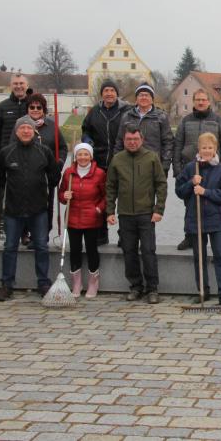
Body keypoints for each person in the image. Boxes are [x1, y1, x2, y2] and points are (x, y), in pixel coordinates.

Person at [0, 115, 61, 301]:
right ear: (16, 131)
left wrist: (58, 167)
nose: (25, 131)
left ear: (34, 131)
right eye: (22, 128)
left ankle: (43, 283)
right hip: (13, 210)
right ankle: (7, 284)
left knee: (41, 246)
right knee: (10, 248)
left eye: (29, 128)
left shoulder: (44, 152)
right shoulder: (5, 153)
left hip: (38, 209)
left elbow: (54, 177)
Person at [106, 125, 168, 303]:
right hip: (125, 214)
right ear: (124, 141)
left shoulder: (152, 158)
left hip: (147, 214)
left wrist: (159, 209)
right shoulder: (117, 159)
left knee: (148, 251)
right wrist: (110, 211)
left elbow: (161, 185)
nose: (132, 142)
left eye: (135, 139)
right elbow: (110, 187)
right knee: (129, 252)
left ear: (142, 140)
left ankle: (152, 289)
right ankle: (135, 286)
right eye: (128, 140)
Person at [176, 132, 221, 309]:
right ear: (199, 149)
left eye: (210, 148)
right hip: (196, 220)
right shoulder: (190, 168)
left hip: (217, 221)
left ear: (215, 149)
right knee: (199, 258)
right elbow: (179, 191)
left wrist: (206, 192)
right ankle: (203, 290)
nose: (207, 151)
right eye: (204, 148)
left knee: (220, 256)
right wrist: (191, 183)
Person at [174, 88, 221, 251]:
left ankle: (219, 241)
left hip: (215, 172)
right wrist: (178, 171)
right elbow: (178, 145)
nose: (200, 102)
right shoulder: (185, 121)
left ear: (209, 102)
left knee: (216, 206)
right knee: (190, 207)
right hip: (191, 172)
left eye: (203, 99)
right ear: (193, 102)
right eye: (197, 99)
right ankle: (190, 237)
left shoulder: (219, 121)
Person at [10, 93, 68, 236]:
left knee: (47, 204)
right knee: (24, 202)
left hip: (47, 174)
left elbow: (62, 147)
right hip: (25, 174)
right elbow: (11, 147)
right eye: (32, 107)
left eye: (39, 107)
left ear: (43, 109)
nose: (35, 109)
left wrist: (59, 162)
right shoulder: (20, 125)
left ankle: (43, 234)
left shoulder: (52, 125)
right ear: (27, 108)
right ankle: (24, 233)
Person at [81, 79, 131, 245]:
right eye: (106, 90)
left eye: (112, 90)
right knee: (101, 198)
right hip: (100, 160)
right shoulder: (94, 111)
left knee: (124, 198)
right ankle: (101, 234)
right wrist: (88, 143)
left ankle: (124, 235)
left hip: (122, 160)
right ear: (101, 94)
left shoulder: (126, 110)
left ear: (117, 93)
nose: (109, 93)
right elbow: (86, 130)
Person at [59, 143, 107, 298]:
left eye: (86, 154)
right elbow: (61, 194)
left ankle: (93, 282)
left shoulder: (99, 173)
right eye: (80, 154)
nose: (83, 157)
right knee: (74, 251)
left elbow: (106, 195)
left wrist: (98, 209)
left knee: (92, 250)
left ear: (91, 156)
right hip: (72, 218)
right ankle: (77, 283)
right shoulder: (69, 173)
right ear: (75, 156)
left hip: (92, 218)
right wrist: (64, 196)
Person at [114, 83, 173, 172]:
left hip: (153, 165)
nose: (144, 97)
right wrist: (117, 161)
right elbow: (119, 141)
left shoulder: (161, 117)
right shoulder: (126, 116)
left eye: (147, 95)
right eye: (141, 95)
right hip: (129, 164)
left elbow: (168, 142)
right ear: (136, 99)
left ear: (152, 99)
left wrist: (165, 165)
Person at [0, 72, 32, 160]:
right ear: (11, 86)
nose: (18, 86)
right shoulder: (2, 106)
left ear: (27, 85)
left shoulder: (34, 106)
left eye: (21, 83)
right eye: (15, 83)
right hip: (7, 155)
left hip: (30, 154)